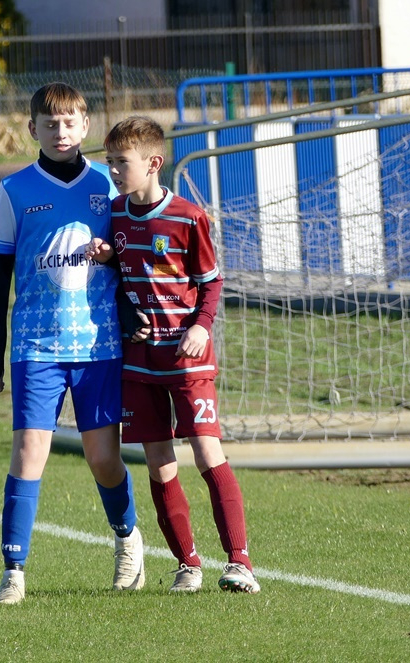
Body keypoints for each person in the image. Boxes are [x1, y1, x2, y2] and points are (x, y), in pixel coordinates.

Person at [0, 82, 145, 604]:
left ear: (85, 125)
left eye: (70, 122)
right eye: (50, 124)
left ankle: (128, 539)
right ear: (33, 128)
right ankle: (14, 571)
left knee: (102, 459)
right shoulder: (15, 189)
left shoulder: (107, 183)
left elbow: (130, 256)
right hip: (36, 345)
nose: (60, 132)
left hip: (99, 345)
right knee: (29, 452)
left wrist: (122, 284)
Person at [87, 116, 260, 594]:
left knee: (206, 452)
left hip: (187, 361)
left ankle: (240, 562)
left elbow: (212, 283)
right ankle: (188, 564)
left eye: (122, 162)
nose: (114, 171)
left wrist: (201, 328)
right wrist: (107, 257)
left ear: (153, 163)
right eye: (109, 162)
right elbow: (119, 277)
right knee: (159, 463)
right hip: (138, 363)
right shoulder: (115, 215)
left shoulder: (187, 217)